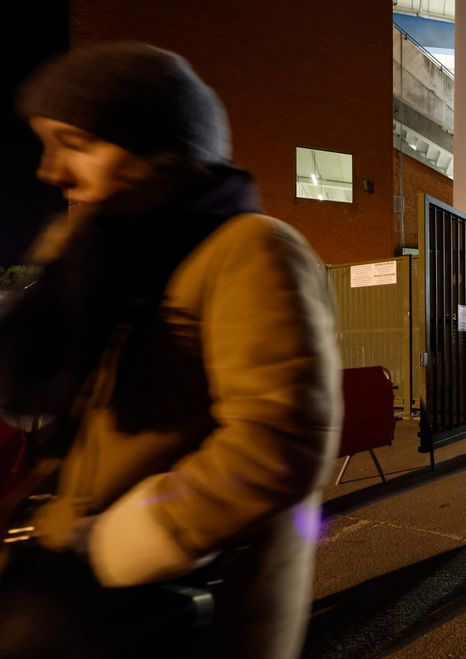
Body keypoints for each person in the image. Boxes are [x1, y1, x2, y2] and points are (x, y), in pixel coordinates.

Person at [0, 42, 340, 659]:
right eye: (46, 144)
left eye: (76, 144)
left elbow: (281, 438)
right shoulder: (110, 257)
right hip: (79, 571)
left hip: (176, 605)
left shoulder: (251, 249)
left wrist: (126, 542)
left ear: (153, 150)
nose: (50, 170)